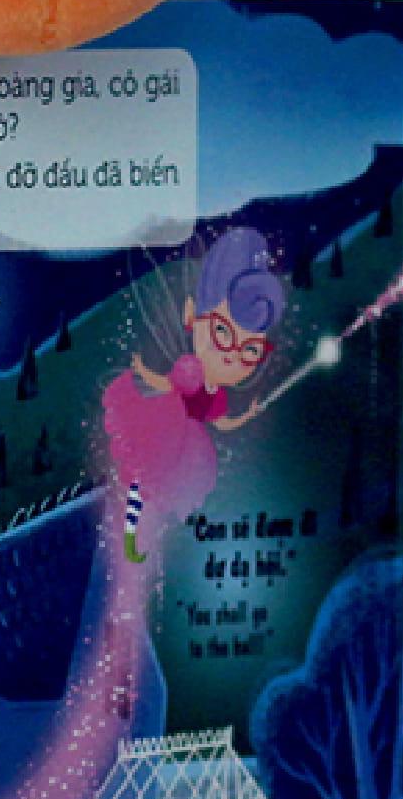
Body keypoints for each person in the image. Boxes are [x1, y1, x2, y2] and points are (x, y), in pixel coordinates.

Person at [100, 227, 286, 563]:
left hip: (189, 447)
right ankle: (131, 538)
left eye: (250, 351)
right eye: (221, 332)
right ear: (191, 315)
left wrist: (246, 416)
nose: (231, 356)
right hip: (164, 425)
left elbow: (222, 423)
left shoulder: (219, 396)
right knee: (141, 482)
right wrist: (143, 374)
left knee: (170, 490)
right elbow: (167, 385)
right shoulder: (190, 369)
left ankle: (156, 542)